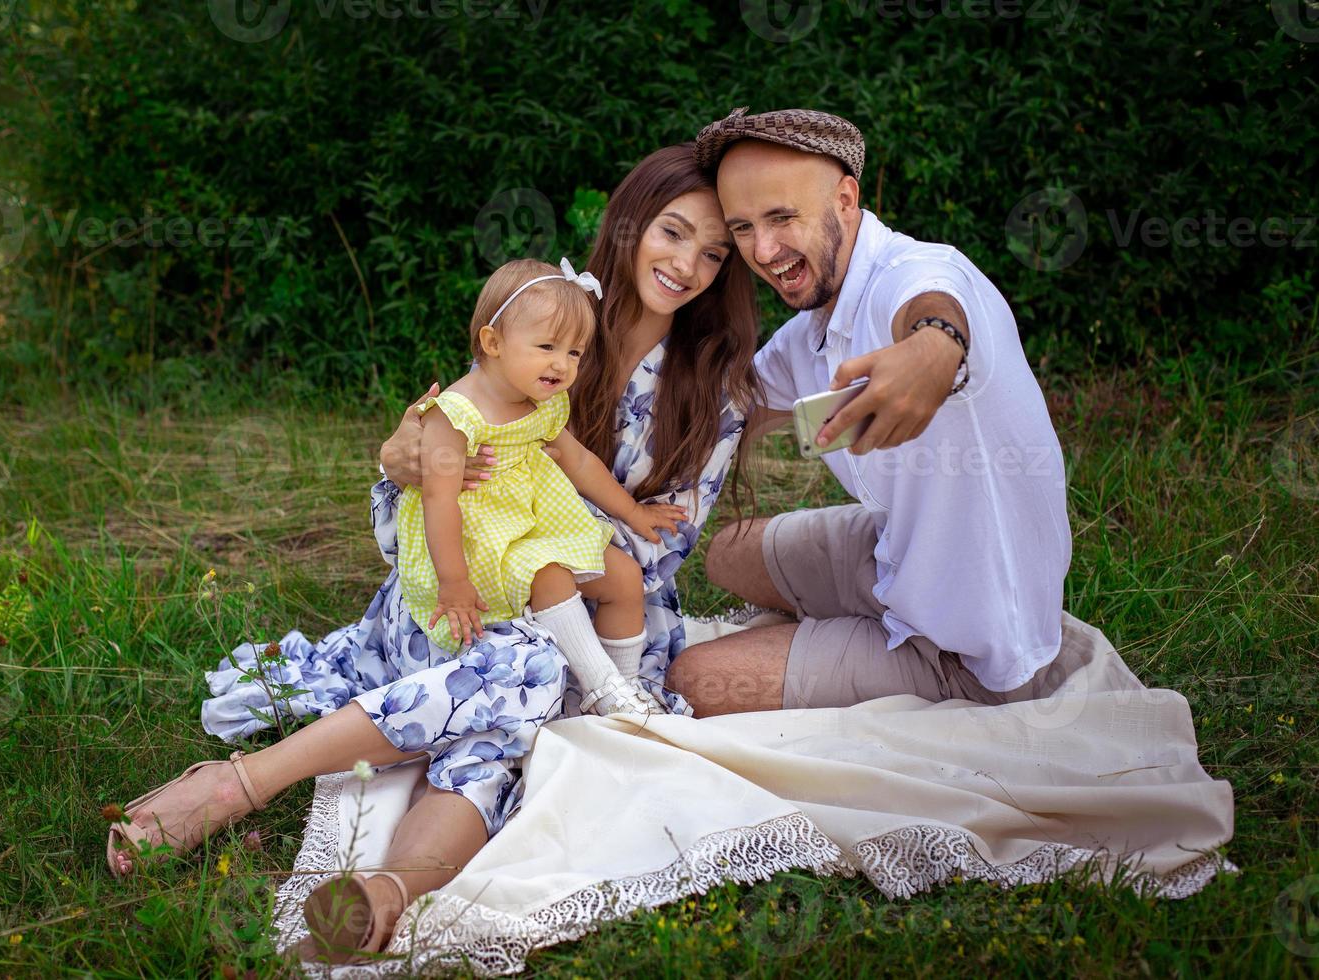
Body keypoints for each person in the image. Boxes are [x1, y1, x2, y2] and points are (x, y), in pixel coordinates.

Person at [104, 142, 760, 962]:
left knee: (518, 700)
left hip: (587, 620)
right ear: (629, 228)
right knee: (514, 684)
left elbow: (660, 548)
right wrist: (403, 461)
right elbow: (422, 505)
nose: (688, 264)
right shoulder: (535, 321)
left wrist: (542, 540)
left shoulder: (715, 384)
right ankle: (251, 792)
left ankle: (377, 886)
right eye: (672, 233)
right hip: (461, 597)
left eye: (714, 253)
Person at [667, 107, 1078, 715]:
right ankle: (823, 635)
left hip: (966, 650)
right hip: (896, 555)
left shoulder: (914, 274)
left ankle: (839, 651)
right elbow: (731, 407)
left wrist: (932, 351)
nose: (764, 250)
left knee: (694, 679)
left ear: (845, 199)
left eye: (782, 218)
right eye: (744, 228)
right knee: (729, 551)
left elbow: (937, 313)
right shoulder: (812, 328)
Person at [397, 255, 685, 714]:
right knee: (550, 575)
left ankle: (623, 685)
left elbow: (582, 463)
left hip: (534, 523)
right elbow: (438, 499)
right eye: (547, 346)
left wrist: (633, 512)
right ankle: (604, 690)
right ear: (492, 342)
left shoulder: (542, 403)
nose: (563, 364)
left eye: (574, 352)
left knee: (625, 575)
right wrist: (453, 582)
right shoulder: (457, 414)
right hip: (479, 540)